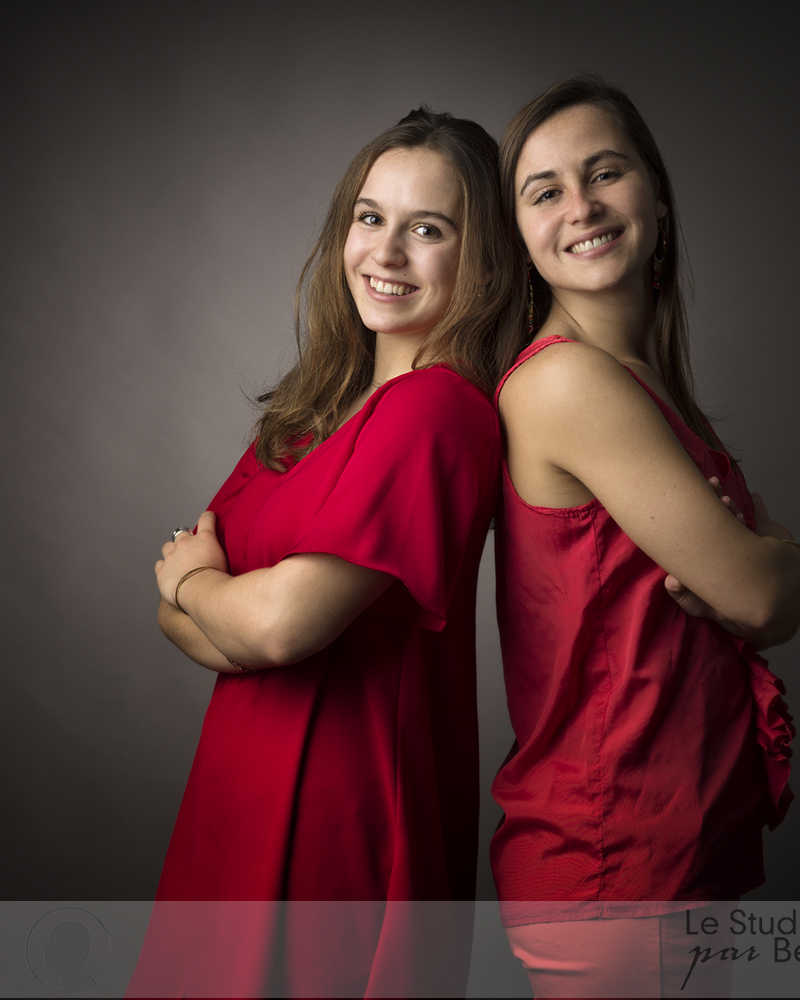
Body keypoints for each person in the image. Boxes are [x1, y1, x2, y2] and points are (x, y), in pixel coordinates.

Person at [126, 108, 515, 999]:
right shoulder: (313, 412)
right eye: (370, 218)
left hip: (339, 826)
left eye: (429, 229)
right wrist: (221, 603)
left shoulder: (438, 413)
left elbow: (268, 624)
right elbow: (187, 617)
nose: (385, 253)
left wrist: (200, 584)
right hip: (234, 810)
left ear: (481, 257)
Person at [489, 74, 800, 998]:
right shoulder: (568, 384)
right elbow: (758, 595)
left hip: (681, 844)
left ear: (656, 198)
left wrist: (769, 570)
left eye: (606, 173)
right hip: (613, 865)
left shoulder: (639, 379)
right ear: (520, 238)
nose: (582, 206)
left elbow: (753, 593)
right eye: (544, 191)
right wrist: (792, 561)